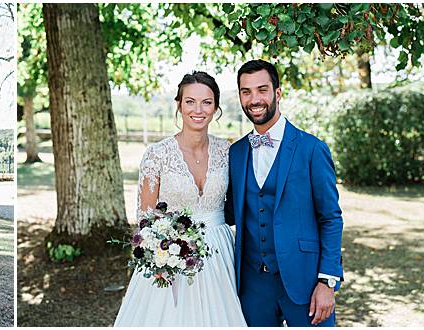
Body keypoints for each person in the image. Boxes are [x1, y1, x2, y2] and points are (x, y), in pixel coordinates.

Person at [114, 72, 247, 326]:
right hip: (170, 254)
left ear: (216, 108)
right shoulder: (157, 155)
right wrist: (160, 256)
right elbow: (145, 219)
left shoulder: (228, 151)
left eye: (207, 102)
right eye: (190, 101)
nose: (198, 109)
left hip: (220, 253)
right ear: (179, 105)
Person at [224, 59, 344, 327]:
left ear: (277, 93)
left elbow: (331, 218)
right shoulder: (237, 152)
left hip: (306, 281)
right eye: (246, 92)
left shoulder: (312, 149)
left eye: (262, 90)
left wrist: (327, 281)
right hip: (253, 288)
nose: (254, 99)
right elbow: (228, 212)